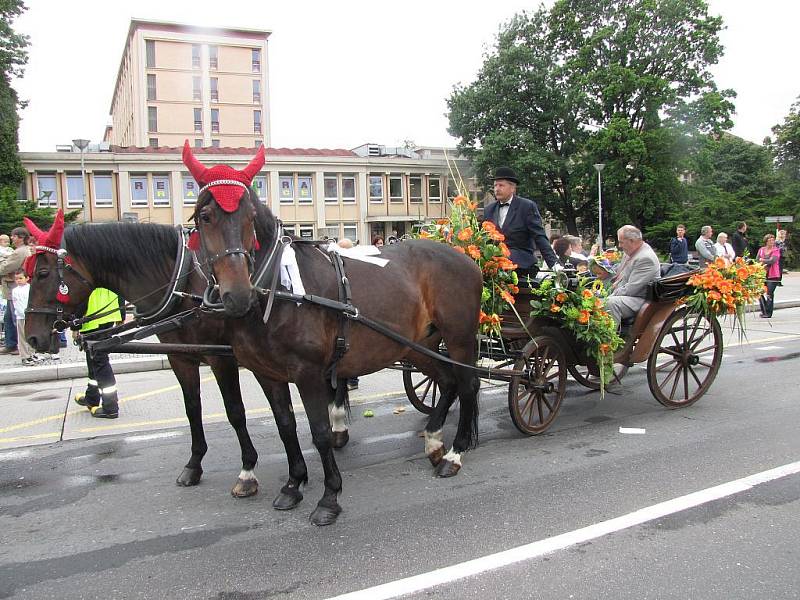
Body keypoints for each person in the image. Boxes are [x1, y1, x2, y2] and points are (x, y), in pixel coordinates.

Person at [483, 167, 560, 281]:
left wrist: (554, 265)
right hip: (495, 267)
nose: (497, 189)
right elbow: (484, 238)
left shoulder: (527, 206)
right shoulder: (489, 209)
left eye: (501, 185)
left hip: (521, 266)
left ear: (512, 188)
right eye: (495, 185)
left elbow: (539, 236)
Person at [74, 288, 124, 418]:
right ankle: (92, 397)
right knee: (94, 361)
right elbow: (119, 289)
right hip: (108, 317)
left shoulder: (89, 269)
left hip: (91, 319)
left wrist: (75, 325)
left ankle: (110, 407)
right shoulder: (109, 268)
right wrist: (121, 314)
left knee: (99, 361)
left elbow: (81, 296)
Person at [604, 225, 661, 327]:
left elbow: (631, 289)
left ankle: (608, 340)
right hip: (627, 294)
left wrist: (607, 296)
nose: (619, 246)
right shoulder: (630, 252)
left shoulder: (646, 258)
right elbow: (619, 273)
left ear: (632, 241)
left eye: (621, 242)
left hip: (640, 299)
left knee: (609, 302)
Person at [0, 227, 32, 355]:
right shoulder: (22, 250)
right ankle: (11, 344)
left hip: (14, 288)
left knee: (15, 318)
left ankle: (18, 346)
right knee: (9, 318)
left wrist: (2, 259)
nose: (11, 238)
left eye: (13, 236)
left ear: (21, 237)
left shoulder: (19, 252)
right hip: (14, 288)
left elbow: (4, 268)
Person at [11, 270, 38, 366]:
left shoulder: (31, 288)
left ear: (27, 278)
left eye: (20, 278)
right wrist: (22, 313)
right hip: (21, 316)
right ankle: (24, 356)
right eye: (16, 279)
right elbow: (16, 304)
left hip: (31, 315)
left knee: (32, 335)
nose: (18, 280)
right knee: (22, 337)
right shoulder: (15, 291)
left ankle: (32, 353)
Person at [757, 234, 782, 319]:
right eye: (770, 240)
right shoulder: (761, 250)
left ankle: (768, 312)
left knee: (769, 293)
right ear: (766, 241)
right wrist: (762, 262)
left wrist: (763, 260)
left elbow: (773, 260)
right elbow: (757, 260)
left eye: (773, 240)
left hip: (773, 275)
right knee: (759, 292)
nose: (772, 242)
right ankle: (763, 310)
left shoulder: (776, 250)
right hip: (762, 274)